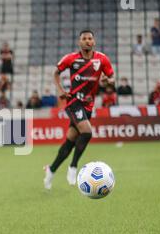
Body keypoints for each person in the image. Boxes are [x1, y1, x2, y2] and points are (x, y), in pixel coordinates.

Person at [44, 30, 114, 189]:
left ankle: (51, 169)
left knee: (70, 141)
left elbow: (111, 77)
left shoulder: (102, 59)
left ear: (94, 42)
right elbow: (56, 72)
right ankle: (73, 166)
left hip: (88, 105)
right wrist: (61, 90)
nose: (87, 41)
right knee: (87, 132)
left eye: (90, 38)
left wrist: (107, 80)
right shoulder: (71, 58)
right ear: (79, 42)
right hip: (73, 102)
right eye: (84, 39)